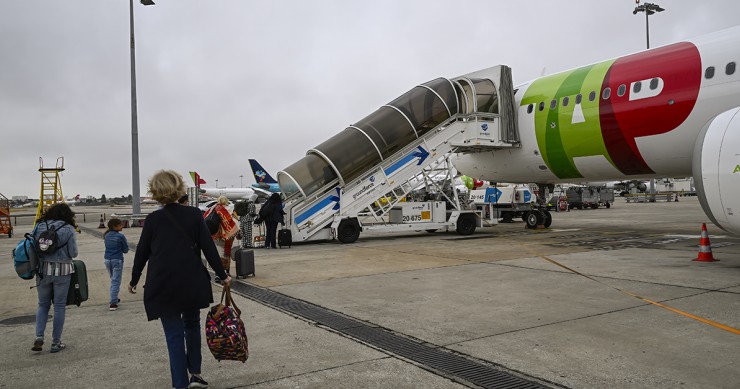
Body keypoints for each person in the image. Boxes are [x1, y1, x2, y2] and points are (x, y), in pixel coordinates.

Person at [128, 170, 231, 389]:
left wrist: (134, 279)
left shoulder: (153, 220)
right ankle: (195, 374)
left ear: (155, 192)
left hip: (162, 283)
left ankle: (180, 384)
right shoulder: (194, 215)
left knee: (174, 335)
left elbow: (142, 253)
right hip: (190, 281)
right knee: (192, 326)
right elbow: (208, 248)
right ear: (179, 189)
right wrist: (223, 276)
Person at [32, 202, 78, 353]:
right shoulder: (68, 228)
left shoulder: (40, 226)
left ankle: (39, 337)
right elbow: (73, 253)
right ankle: (56, 343)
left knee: (42, 305)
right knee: (59, 307)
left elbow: (33, 247)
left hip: (42, 271)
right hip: (63, 272)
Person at [204, 196, 238, 276]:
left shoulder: (212, 209)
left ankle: (217, 274)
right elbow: (235, 221)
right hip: (228, 236)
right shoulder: (230, 209)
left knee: (218, 254)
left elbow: (205, 218)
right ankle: (226, 272)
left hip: (215, 235)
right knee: (226, 254)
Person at [104, 218, 129, 311]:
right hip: (117, 260)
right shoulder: (120, 236)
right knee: (116, 281)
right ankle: (113, 302)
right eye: (120, 225)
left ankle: (114, 297)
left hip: (107, 260)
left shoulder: (106, 235)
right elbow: (125, 250)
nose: (122, 226)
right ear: (115, 226)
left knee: (113, 279)